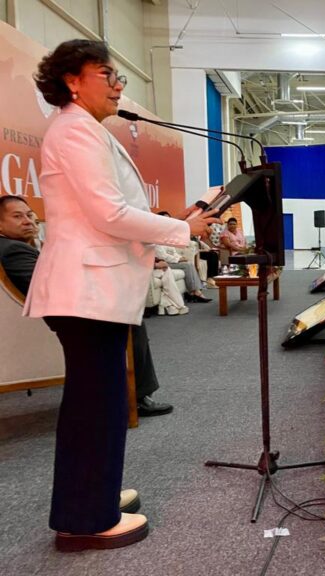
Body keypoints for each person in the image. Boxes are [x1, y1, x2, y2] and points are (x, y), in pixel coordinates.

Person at [27, 40, 218, 551]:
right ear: (73, 80)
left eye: (119, 77)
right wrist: (182, 229)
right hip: (85, 291)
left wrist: (175, 229)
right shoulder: (74, 132)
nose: (118, 85)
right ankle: (85, 520)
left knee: (102, 403)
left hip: (93, 291)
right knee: (96, 406)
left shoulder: (83, 130)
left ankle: (94, 497)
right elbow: (109, 216)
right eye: (107, 75)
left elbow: (112, 214)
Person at [0, 196, 176, 414]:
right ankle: (136, 397)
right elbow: (47, 290)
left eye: (29, 215)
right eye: (17, 216)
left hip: (54, 310)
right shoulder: (13, 250)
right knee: (129, 318)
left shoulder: (17, 246)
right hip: (62, 318)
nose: (28, 221)